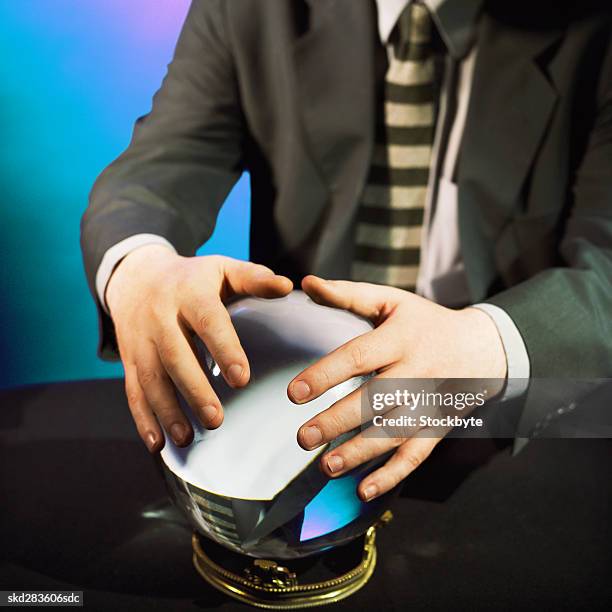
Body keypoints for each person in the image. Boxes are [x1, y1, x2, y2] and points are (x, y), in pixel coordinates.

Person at [81, 0, 612, 503]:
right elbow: (161, 168)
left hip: (511, 421)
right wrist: (139, 267)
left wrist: (488, 345)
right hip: (292, 422)